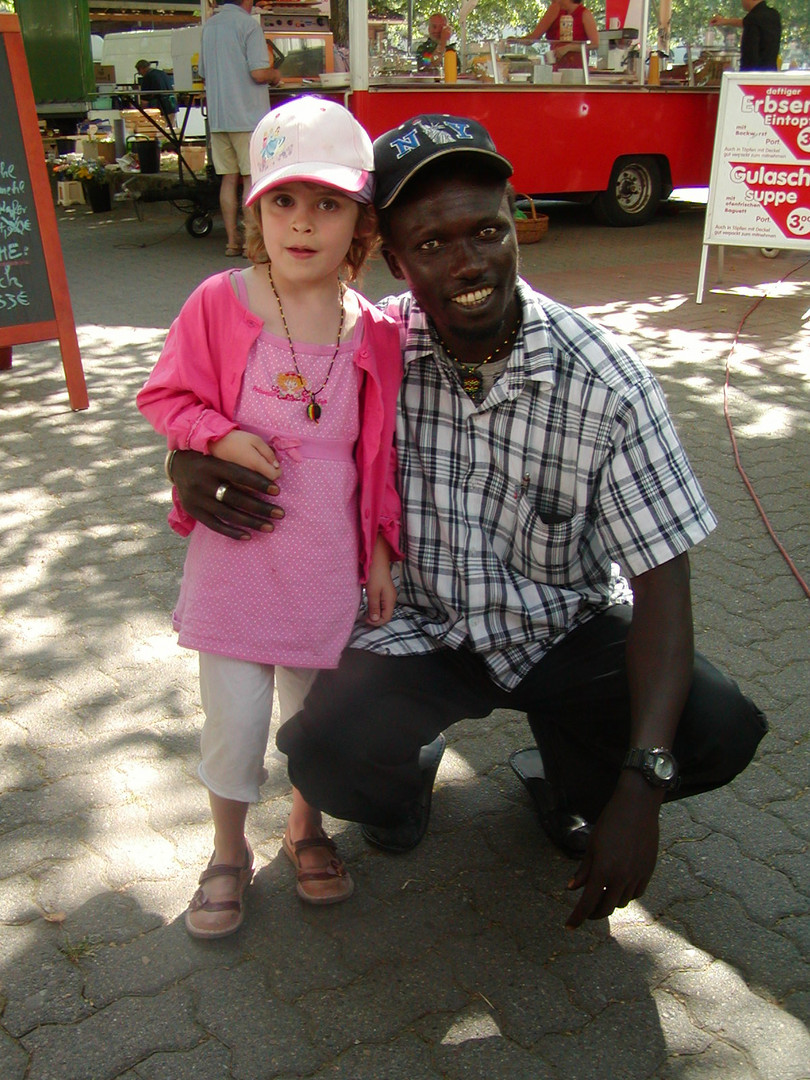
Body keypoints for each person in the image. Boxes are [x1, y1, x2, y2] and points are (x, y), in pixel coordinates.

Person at [166, 113, 767, 931]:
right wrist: (188, 459)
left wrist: (641, 787)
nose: (467, 262)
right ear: (397, 257)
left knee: (717, 726)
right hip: (423, 630)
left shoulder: (606, 383)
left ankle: (570, 783)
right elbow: (276, 428)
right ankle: (405, 775)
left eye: (486, 230)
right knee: (324, 751)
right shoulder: (375, 343)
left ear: (517, 220)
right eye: (432, 243)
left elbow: (665, 583)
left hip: (558, 627)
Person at [136, 97, 403, 938]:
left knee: (311, 721)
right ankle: (225, 850)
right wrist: (211, 434)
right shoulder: (221, 301)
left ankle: (305, 827)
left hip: (326, 566)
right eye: (283, 200)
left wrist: (381, 555)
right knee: (236, 721)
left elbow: (381, 458)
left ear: (360, 221)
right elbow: (164, 394)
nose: (303, 223)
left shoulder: (378, 330)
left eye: (328, 204)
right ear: (256, 207)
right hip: (238, 564)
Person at [199, 0, 282, 257]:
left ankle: (232, 241)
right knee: (250, 179)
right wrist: (275, 75)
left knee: (228, 178)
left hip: (219, 117)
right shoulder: (248, 25)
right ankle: (251, 244)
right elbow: (258, 73)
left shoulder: (209, 27)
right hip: (247, 116)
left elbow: (202, 71)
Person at [512, 0, 599, 70]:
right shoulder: (562, 13)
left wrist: (569, 47)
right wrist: (515, 41)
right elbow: (533, 39)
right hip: (557, 67)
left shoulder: (584, 14)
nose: (556, 2)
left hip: (576, 70)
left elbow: (595, 44)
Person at [710, 0, 781, 71]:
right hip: (771, 74)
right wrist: (725, 21)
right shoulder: (773, 15)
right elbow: (745, 22)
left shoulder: (753, 18)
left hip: (753, 76)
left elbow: (750, 56)